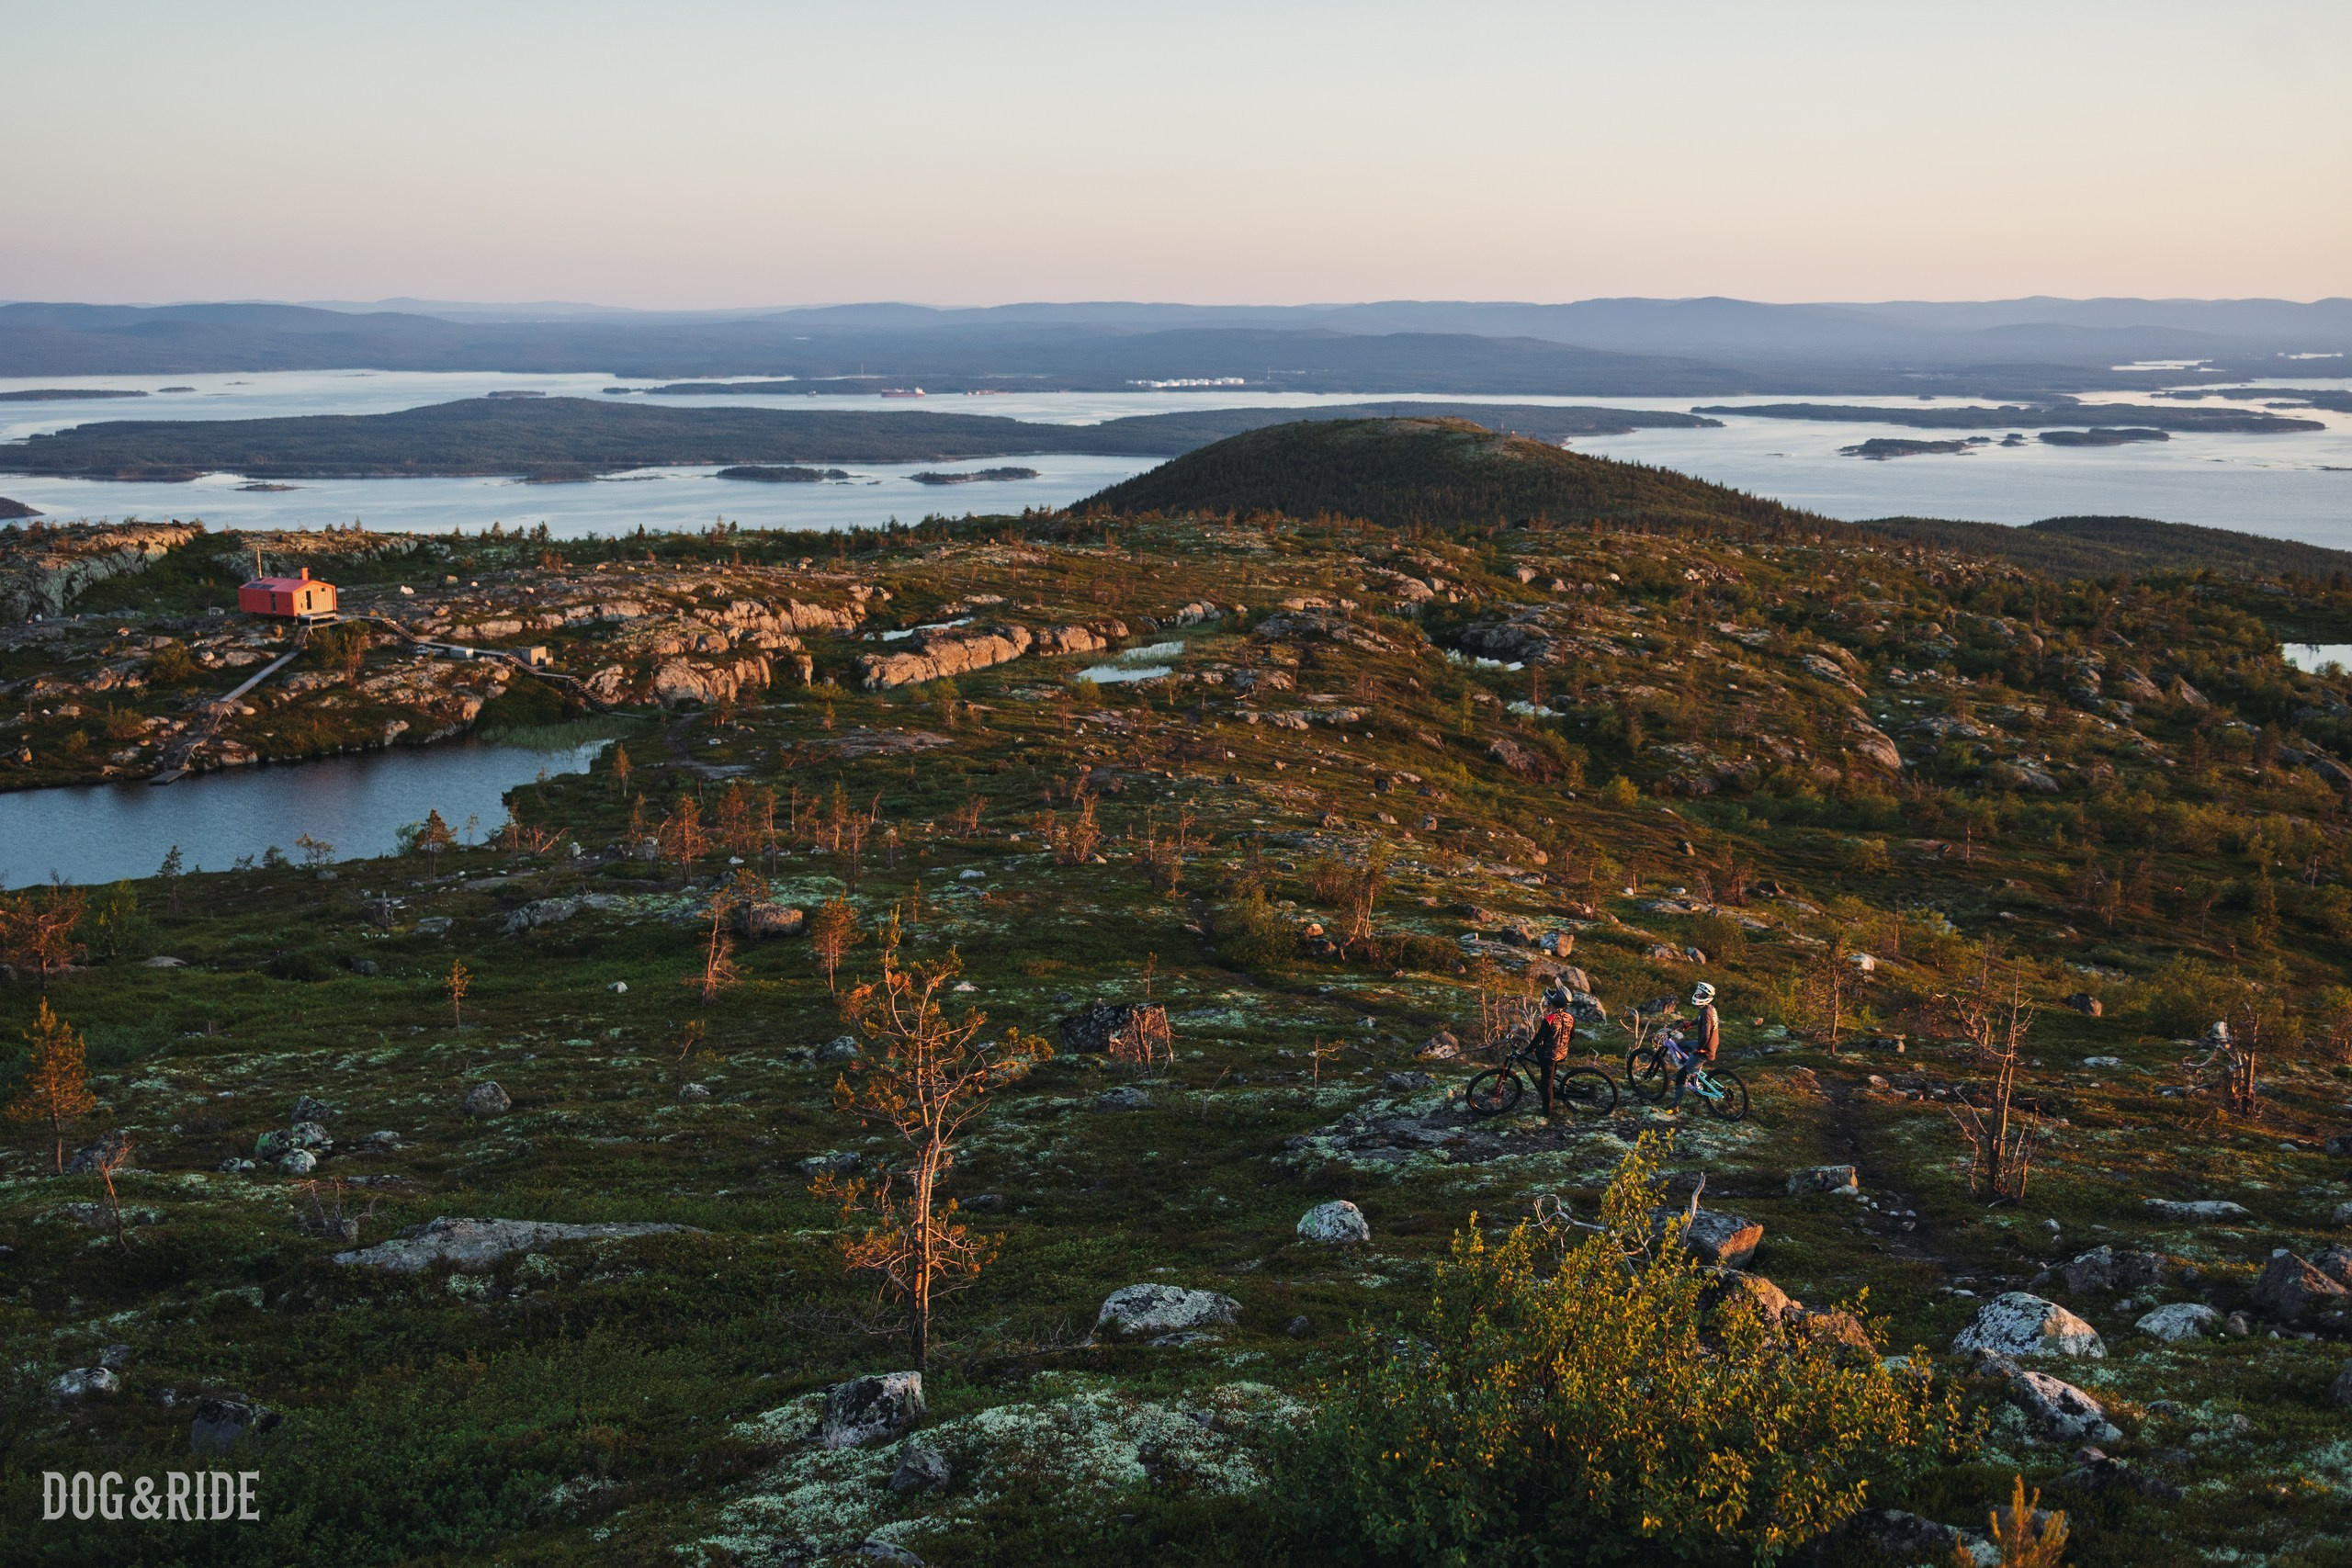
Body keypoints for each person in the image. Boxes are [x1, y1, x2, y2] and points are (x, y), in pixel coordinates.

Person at [1668, 981, 1721, 1112]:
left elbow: (1706, 1035)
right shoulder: (1708, 1008)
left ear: (1706, 996)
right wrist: (1690, 1024)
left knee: (1681, 1076)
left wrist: (1699, 1049)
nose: (1698, 995)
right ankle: (1692, 1068)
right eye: (1698, 993)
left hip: (1705, 1049)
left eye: (1701, 994)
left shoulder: (1705, 1012)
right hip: (1708, 1045)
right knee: (1683, 1045)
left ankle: (1675, 1105)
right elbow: (1700, 1020)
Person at [1532, 984, 1577, 1118]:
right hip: (1562, 1053)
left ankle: (1547, 1114)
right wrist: (1561, 1044)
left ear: (1553, 1003)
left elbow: (1538, 1038)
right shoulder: (1570, 1018)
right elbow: (1572, 1036)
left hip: (1551, 1055)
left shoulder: (1549, 1020)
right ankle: (1552, 1082)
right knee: (1547, 1068)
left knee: (1546, 1085)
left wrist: (1527, 1049)